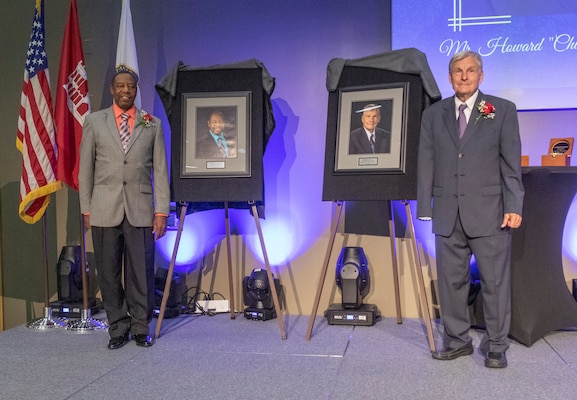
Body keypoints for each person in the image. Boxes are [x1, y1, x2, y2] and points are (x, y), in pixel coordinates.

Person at [417, 51, 524, 368]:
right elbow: (426, 162)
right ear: (450, 77)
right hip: (448, 212)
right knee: (451, 283)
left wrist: (513, 204)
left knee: (494, 283)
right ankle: (457, 340)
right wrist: (426, 206)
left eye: (471, 70)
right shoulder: (433, 115)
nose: (464, 76)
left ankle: (496, 346)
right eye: (458, 71)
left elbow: (511, 164)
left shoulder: (501, 110)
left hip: (491, 211)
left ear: (481, 75)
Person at [79, 67, 170, 349]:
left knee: (141, 272)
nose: (126, 90)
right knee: (107, 272)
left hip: (141, 209)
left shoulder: (151, 123)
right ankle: (118, 327)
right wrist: (86, 208)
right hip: (104, 208)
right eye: (120, 86)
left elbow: (161, 170)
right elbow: (85, 170)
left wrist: (162, 211)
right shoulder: (95, 122)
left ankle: (141, 326)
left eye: (131, 86)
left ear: (136, 89)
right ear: (112, 89)